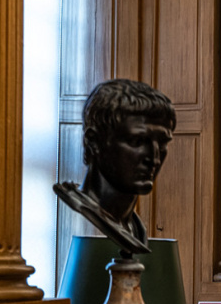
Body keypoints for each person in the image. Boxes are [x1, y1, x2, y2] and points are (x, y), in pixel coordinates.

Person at [54, 79, 176, 255]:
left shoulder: (135, 229)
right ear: (94, 141)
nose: (154, 158)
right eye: (137, 141)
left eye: (162, 143)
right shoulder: (76, 218)